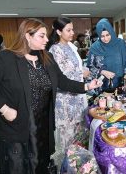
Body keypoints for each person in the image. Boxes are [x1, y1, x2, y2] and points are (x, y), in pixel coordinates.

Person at [0, 18, 101, 174]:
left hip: (42, 126)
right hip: (14, 127)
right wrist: (4, 109)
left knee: (39, 164)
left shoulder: (47, 58)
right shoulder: (6, 59)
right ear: (27, 36)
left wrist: (86, 86)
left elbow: (62, 81)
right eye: (41, 36)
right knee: (17, 167)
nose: (47, 39)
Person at [48, 17, 90, 163]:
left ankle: (80, 166)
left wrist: (83, 71)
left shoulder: (71, 46)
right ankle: (70, 167)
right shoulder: (55, 50)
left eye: (72, 29)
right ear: (59, 31)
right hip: (66, 100)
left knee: (80, 136)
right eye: (69, 30)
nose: (72, 32)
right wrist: (81, 73)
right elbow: (60, 77)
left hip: (77, 96)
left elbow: (75, 67)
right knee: (69, 140)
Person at [87, 18, 126, 92]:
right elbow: (90, 67)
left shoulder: (121, 44)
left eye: (107, 35)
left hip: (121, 84)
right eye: (102, 36)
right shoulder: (95, 47)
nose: (106, 38)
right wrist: (102, 71)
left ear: (111, 32)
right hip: (101, 85)